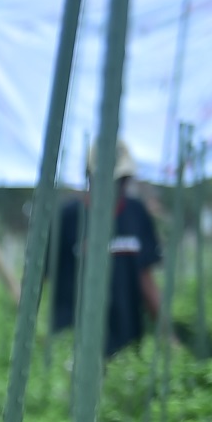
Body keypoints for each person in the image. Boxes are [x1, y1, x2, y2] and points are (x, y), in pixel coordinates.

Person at [50, 141, 161, 358]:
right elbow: (41, 279)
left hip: (127, 340)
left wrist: (167, 332)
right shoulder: (68, 218)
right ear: (90, 177)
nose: (116, 186)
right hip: (75, 341)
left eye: (121, 180)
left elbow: (146, 278)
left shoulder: (136, 213)